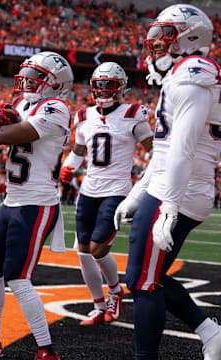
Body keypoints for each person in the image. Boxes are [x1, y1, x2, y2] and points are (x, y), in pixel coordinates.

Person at [113, 4, 221, 359]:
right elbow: (164, 152)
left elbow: (183, 148)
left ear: (189, 37)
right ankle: (211, 334)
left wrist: (168, 204)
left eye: (165, 38)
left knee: (142, 283)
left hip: (180, 188)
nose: (155, 46)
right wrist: (136, 193)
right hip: (175, 184)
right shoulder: (182, 73)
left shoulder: (193, 72)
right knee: (150, 275)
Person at [0, 51, 74, 360]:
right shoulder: (24, 104)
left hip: (37, 204)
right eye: (27, 74)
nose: (27, 81)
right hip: (12, 201)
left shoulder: (56, 107)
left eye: (36, 77)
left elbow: (15, 133)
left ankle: (47, 350)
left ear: (54, 83)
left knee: (18, 277)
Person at [60, 62, 153, 326]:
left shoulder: (133, 113)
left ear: (120, 87)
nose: (102, 90)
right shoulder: (84, 116)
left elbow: (153, 150)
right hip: (89, 190)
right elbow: (79, 152)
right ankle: (98, 305)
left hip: (117, 190)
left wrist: (147, 181)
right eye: (98, 85)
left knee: (99, 247)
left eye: (108, 85)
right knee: (83, 249)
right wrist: (67, 168)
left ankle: (114, 290)